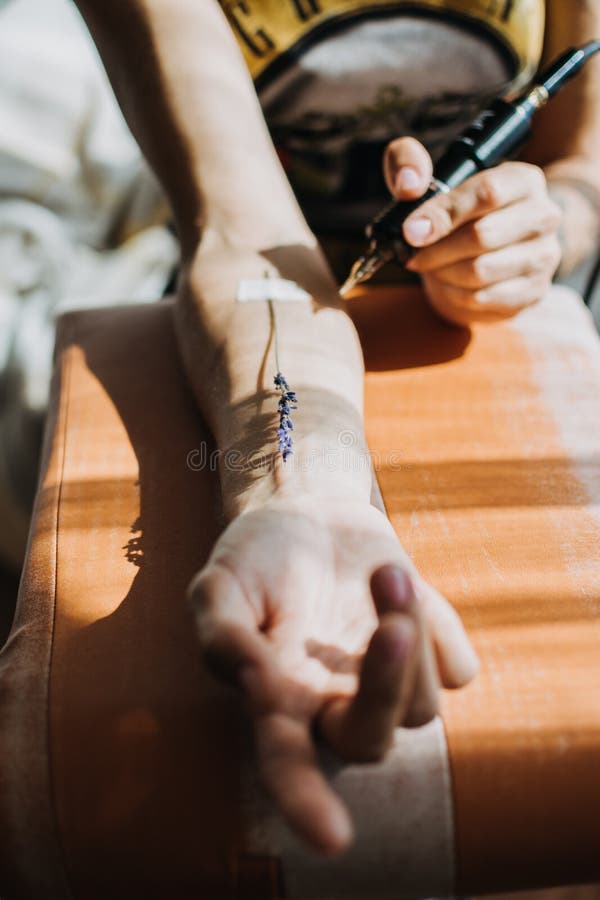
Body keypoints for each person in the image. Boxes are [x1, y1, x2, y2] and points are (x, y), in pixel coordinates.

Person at [11, 0, 600, 856]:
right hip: (273, 325)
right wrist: (307, 488)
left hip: (516, 323)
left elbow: (585, 161)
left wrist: (541, 229)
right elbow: (249, 241)